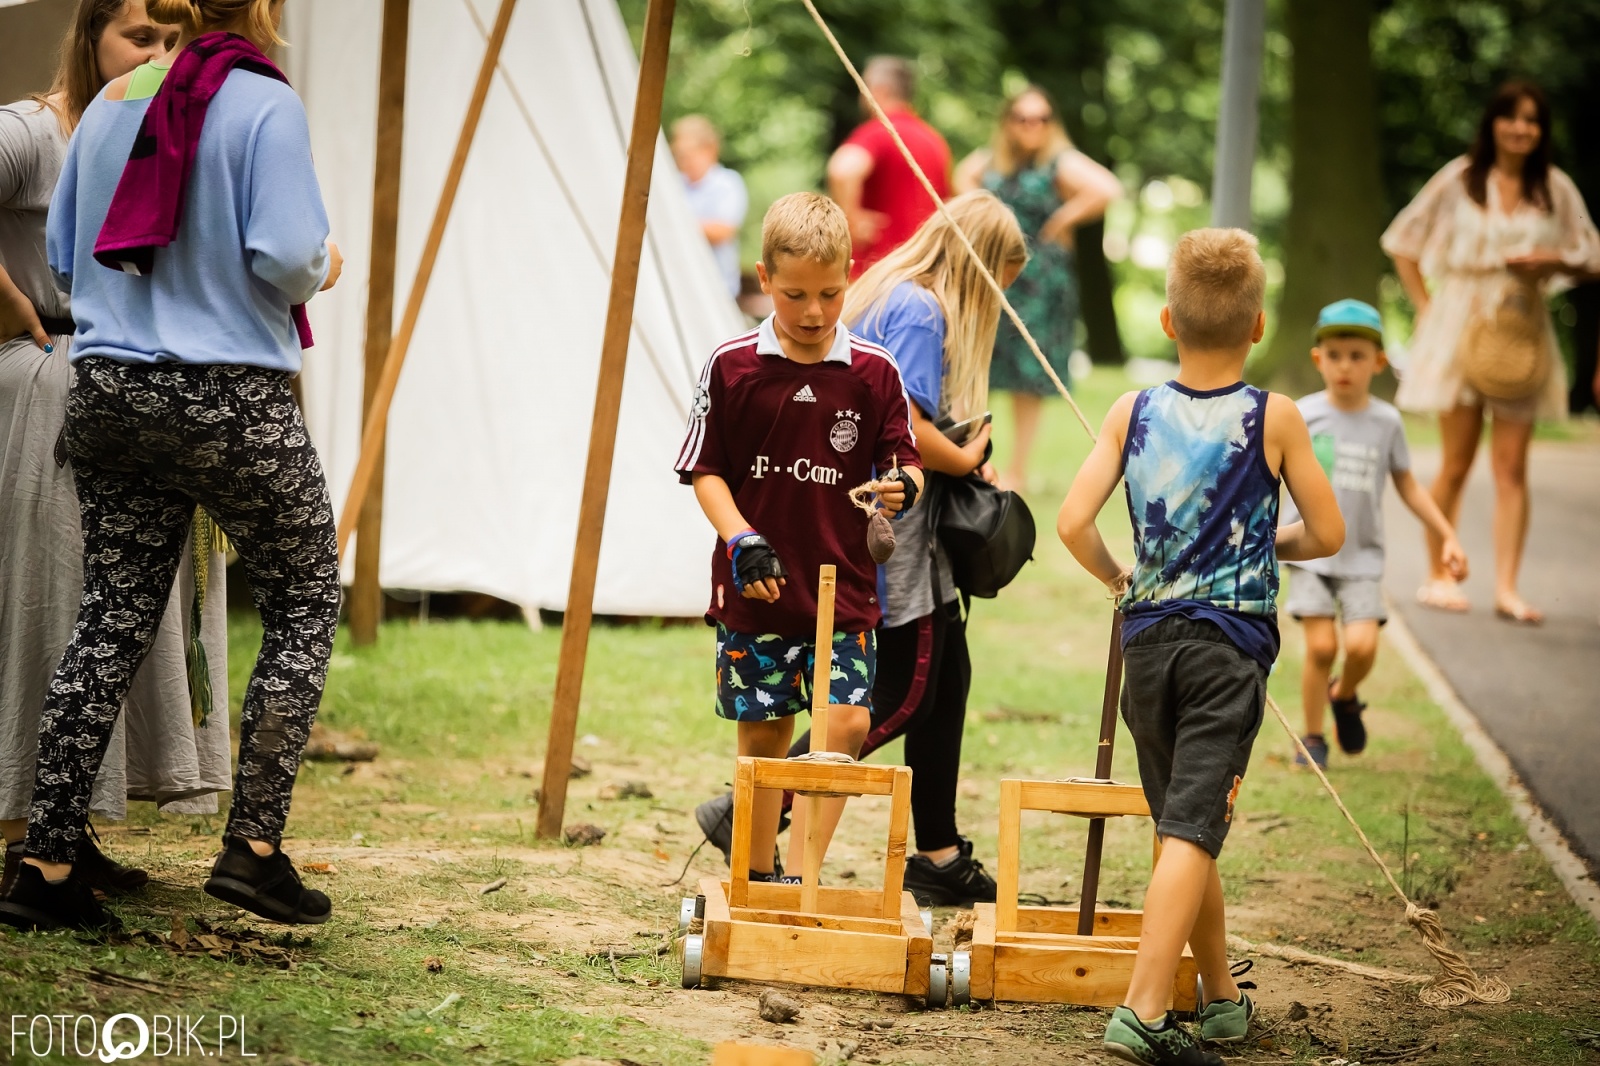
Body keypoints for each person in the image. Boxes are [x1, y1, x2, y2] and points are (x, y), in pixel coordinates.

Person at [0, 0, 343, 933]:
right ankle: (255, 849)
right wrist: (326, 261)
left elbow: (68, 259)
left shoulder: (111, 100)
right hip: (229, 393)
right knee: (308, 591)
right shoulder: (263, 101)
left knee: (110, 615)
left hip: (107, 389)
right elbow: (285, 253)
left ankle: (47, 863)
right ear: (261, 11)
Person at [1057, 229, 1343, 1064]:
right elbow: (1327, 532)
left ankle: (1219, 998)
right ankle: (1144, 1011)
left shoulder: (1131, 411)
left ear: (1166, 319)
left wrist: (1121, 579)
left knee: (1182, 822)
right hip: (1228, 650)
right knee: (1191, 827)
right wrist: (1262, 547)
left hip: (1147, 642)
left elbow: (1073, 524)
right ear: (1258, 327)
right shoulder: (1275, 417)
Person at [1, 0, 234, 903]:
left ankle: (66, 825)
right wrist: (14, 310)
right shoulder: (36, 131)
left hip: (130, 379)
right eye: (142, 38)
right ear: (91, 33)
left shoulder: (169, 137)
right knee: (59, 600)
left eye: (177, 43)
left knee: (116, 605)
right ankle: (23, 832)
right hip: (50, 375)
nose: (160, 58)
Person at [675, 192, 923, 884]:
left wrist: (901, 488)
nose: (814, 312)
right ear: (762, 279)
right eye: (794, 295)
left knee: (842, 725)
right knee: (763, 740)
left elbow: (904, 462)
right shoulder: (731, 367)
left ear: (850, 274)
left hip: (842, 591)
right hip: (757, 590)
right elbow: (705, 470)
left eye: (830, 293)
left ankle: (805, 879)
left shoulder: (874, 372)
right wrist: (740, 539)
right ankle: (756, 877)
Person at [1383, 80, 1600, 624]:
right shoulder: (1459, 179)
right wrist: (1428, 307)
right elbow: (1402, 240)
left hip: (1521, 330)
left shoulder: (1555, 188)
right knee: (1456, 462)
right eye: (1512, 117)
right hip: (1459, 324)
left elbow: (1591, 255)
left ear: (1542, 131)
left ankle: (1507, 587)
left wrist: (1552, 260)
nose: (1522, 129)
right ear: (1494, 123)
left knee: (1511, 468)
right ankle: (1440, 573)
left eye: (1533, 120)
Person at [1282, 300, 1468, 769]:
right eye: (1335, 354)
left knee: (1362, 647)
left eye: (1357, 355)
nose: (1345, 365)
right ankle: (1311, 737)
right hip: (1307, 551)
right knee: (1322, 646)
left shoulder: (1386, 422)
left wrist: (1446, 533)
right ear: (1317, 358)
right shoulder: (1301, 414)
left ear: (1378, 362)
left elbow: (1407, 483)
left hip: (1361, 557)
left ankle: (1344, 695)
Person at [954, 85, 1121, 491]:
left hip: (1041, 282)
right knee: (975, 365)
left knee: (1029, 376)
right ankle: (965, 457)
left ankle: (1017, 471)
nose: (1033, 126)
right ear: (1009, 122)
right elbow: (959, 177)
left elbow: (1106, 187)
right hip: (995, 276)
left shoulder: (1059, 162)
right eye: (1024, 118)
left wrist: (1064, 218)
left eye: (1042, 118)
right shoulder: (993, 160)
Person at [827, 56, 950, 278]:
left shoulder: (879, 132)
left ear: (879, 90)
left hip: (876, 273)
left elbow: (842, 169)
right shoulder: (935, 141)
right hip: (924, 272)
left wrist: (851, 219)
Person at [671, 114, 748, 301]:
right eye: (679, 154)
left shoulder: (727, 183)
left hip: (718, 287)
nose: (684, 160)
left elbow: (722, 231)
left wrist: (675, 222)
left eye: (689, 153)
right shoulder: (675, 183)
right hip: (681, 285)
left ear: (710, 150)